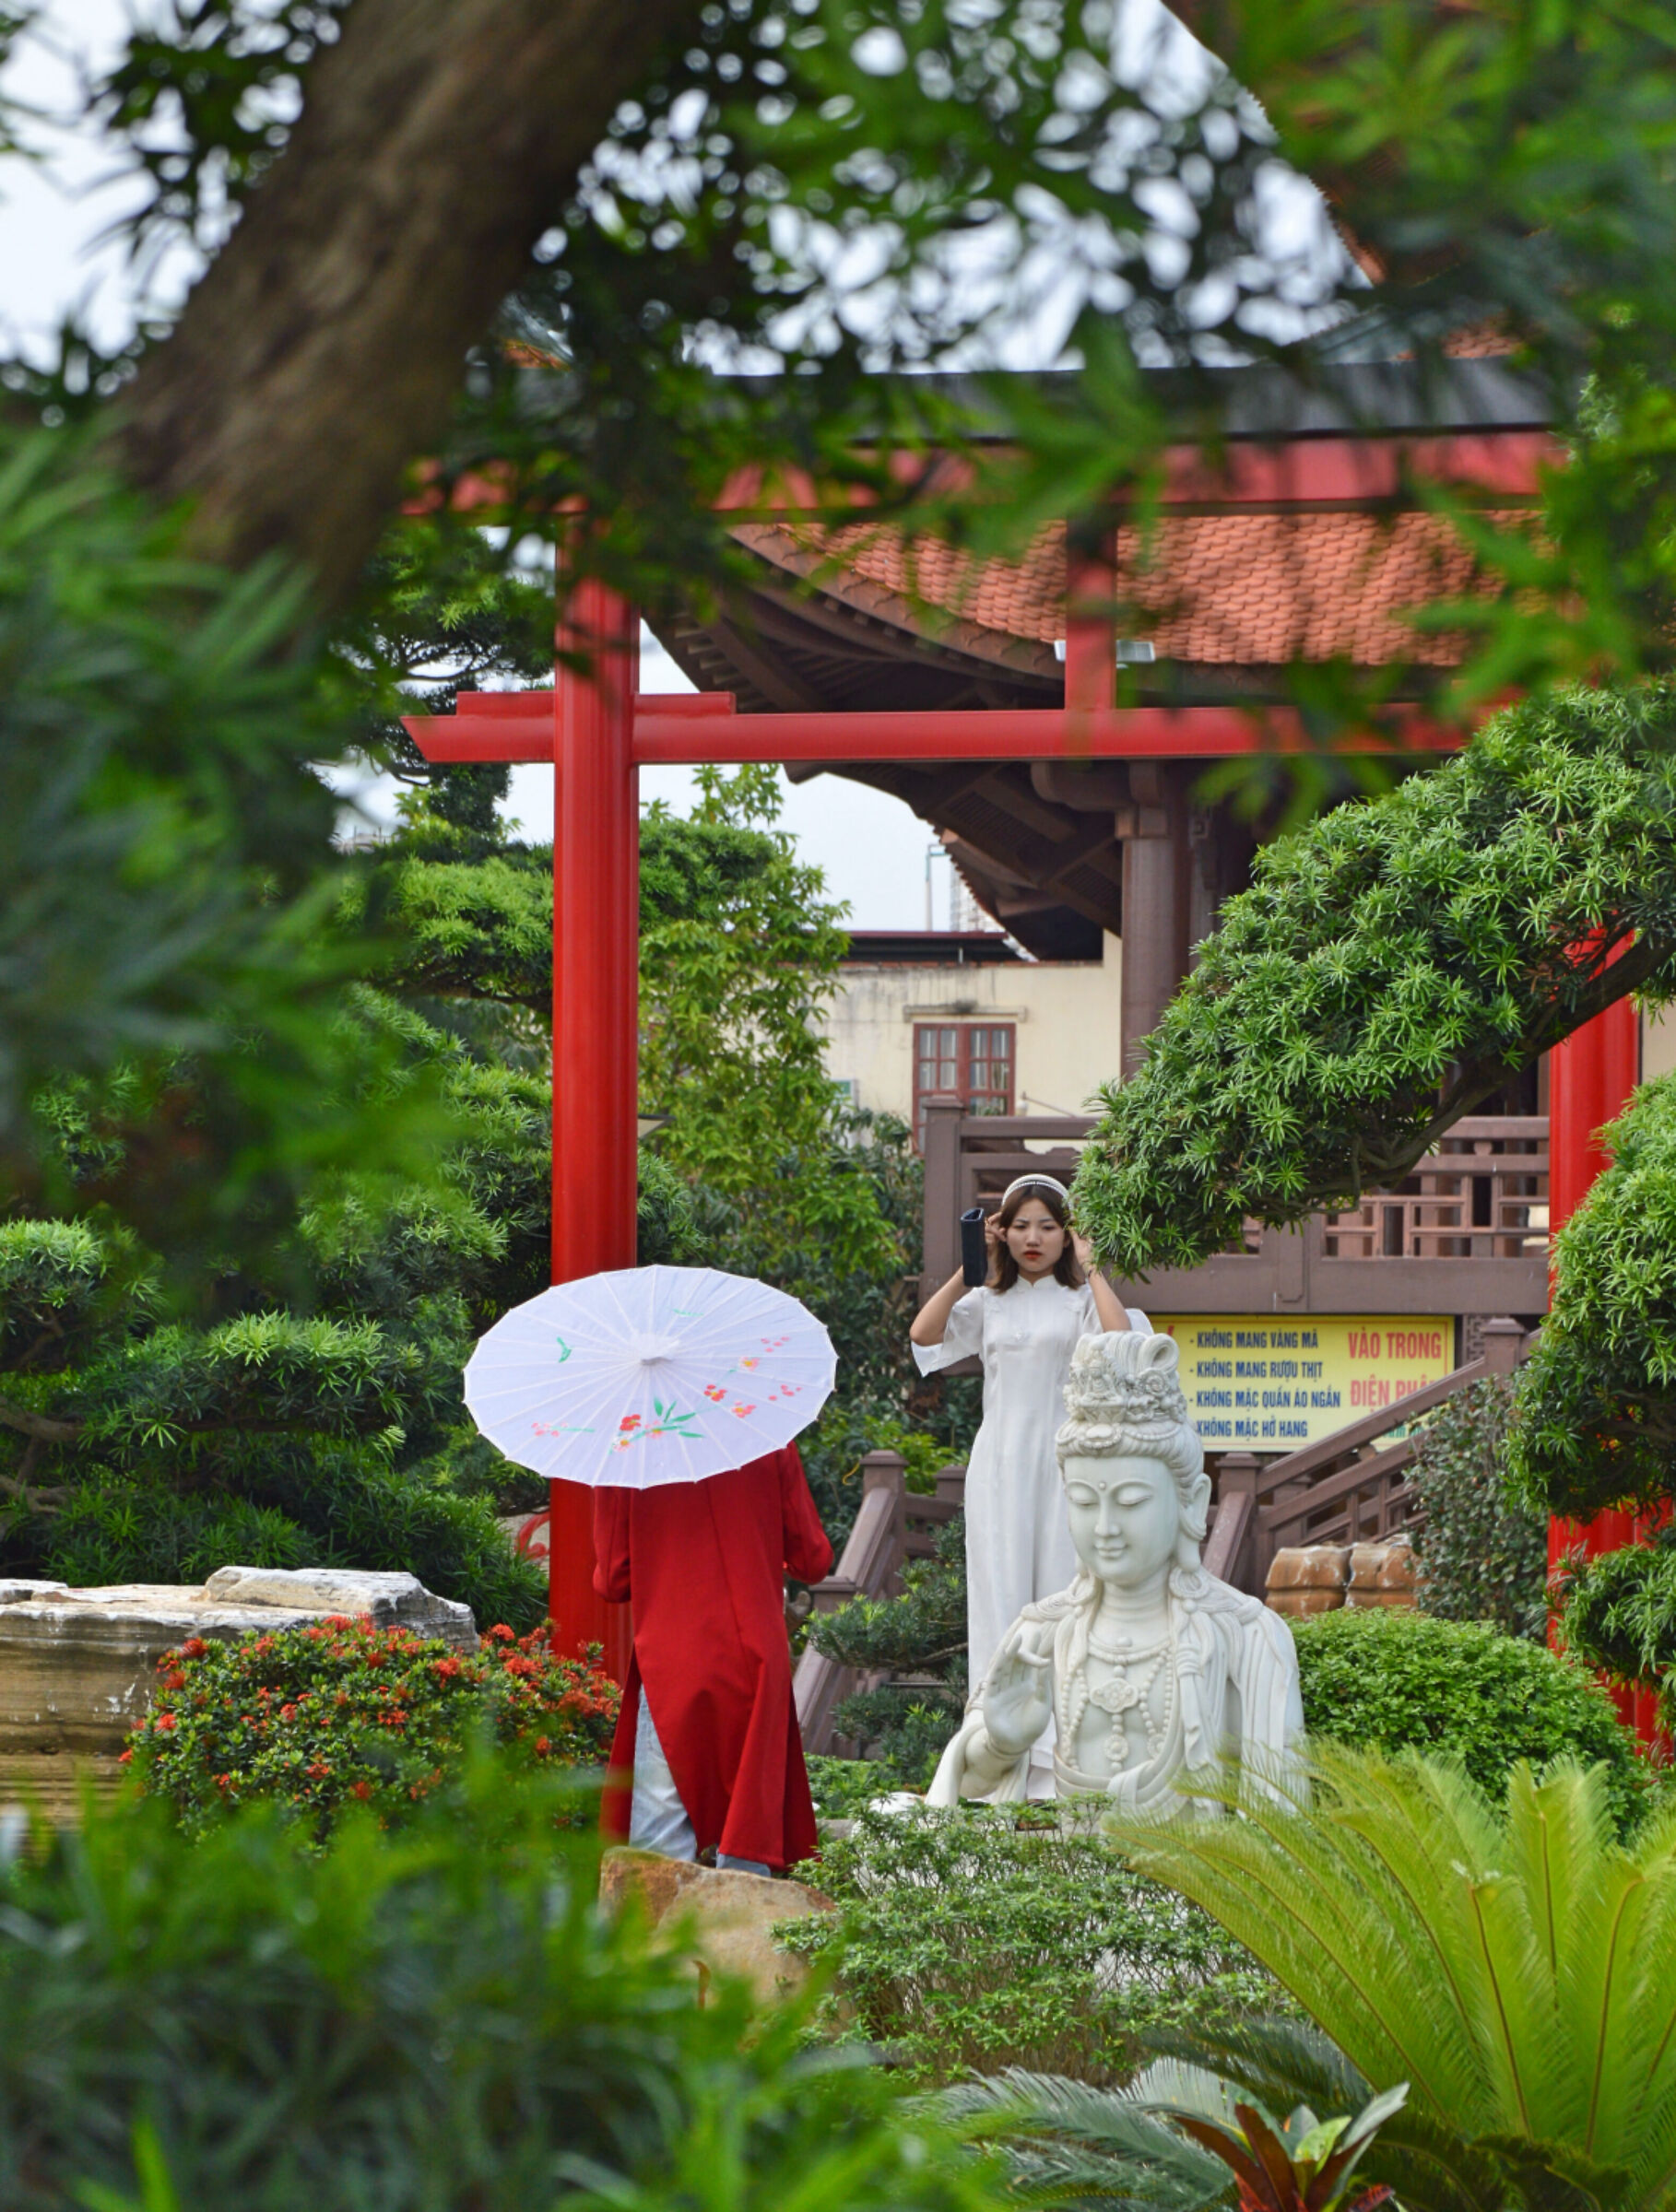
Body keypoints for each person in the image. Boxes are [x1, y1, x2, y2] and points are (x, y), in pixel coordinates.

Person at [926, 1329, 1304, 1814]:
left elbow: (1283, 1825)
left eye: (1130, 1501)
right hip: (1059, 1868)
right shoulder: (1042, 1631)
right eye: (1084, 1502)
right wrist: (1001, 1741)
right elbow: (974, 1784)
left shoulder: (1248, 1637)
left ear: (1192, 1502)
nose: (1105, 1527)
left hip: (1192, 1875)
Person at [909, 1172, 1147, 1785]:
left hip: (1066, 1467)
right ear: (1003, 1234)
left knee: (1065, 1599)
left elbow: (1122, 1343)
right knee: (1001, 1596)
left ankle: (1064, 1758)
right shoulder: (987, 1302)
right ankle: (996, 1749)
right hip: (1000, 1467)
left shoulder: (1079, 1304)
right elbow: (923, 1335)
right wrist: (971, 1267)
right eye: (1020, 1226)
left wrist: (1093, 1268)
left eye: (1048, 1225)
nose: (1033, 1238)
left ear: (1067, 1234)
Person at [593, 1441, 832, 1876]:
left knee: (659, 1851)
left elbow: (613, 1579)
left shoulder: (626, 1446)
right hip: (756, 1658)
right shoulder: (760, 1429)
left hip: (673, 1658)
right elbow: (812, 1560)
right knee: (748, 1841)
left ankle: (662, 1941)